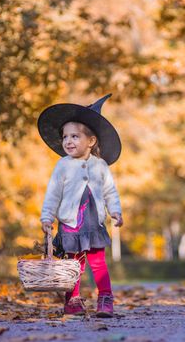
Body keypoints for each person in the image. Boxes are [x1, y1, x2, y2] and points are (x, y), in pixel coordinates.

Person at [37, 94, 123, 318]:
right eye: (65, 137)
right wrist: (47, 217)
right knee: (74, 265)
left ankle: (105, 297)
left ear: (91, 141)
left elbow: (110, 190)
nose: (68, 141)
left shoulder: (100, 166)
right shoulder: (63, 165)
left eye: (75, 136)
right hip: (70, 224)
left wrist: (115, 211)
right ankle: (72, 300)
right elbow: (53, 192)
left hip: (94, 223)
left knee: (98, 263)